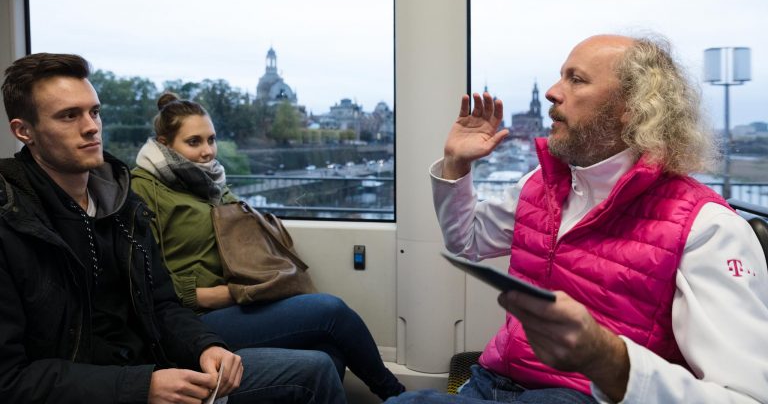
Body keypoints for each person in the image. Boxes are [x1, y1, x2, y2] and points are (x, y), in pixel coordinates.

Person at [389, 35, 768, 403]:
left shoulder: (707, 228)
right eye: (560, 76)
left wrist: (608, 359)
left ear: (631, 108)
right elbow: (467, 241)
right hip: (494, 378)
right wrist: (457, 163)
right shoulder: (539, 184)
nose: (553, 91)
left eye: (576, 79)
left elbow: (744, 396)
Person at [0, 53, 347, 403]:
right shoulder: (13, 223)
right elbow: (9, 380)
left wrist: (206, 346)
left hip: (156, 365)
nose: (91, 126)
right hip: (103, 390)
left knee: (316, 368)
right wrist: (142, 387)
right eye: (68, 116)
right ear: (23, 131)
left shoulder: (123, 204)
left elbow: (162, 305)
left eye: (94, 112)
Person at [130, 92, 405, 401]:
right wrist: (225, 294)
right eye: (194, 142)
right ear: (164, 144)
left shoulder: (207, 183)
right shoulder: (143, 189)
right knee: (331, 311)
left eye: (212, 139)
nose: (208, 151)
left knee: (326, 351)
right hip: (194, 318)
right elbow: (144, 281)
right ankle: (396, 395)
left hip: (238, 299)